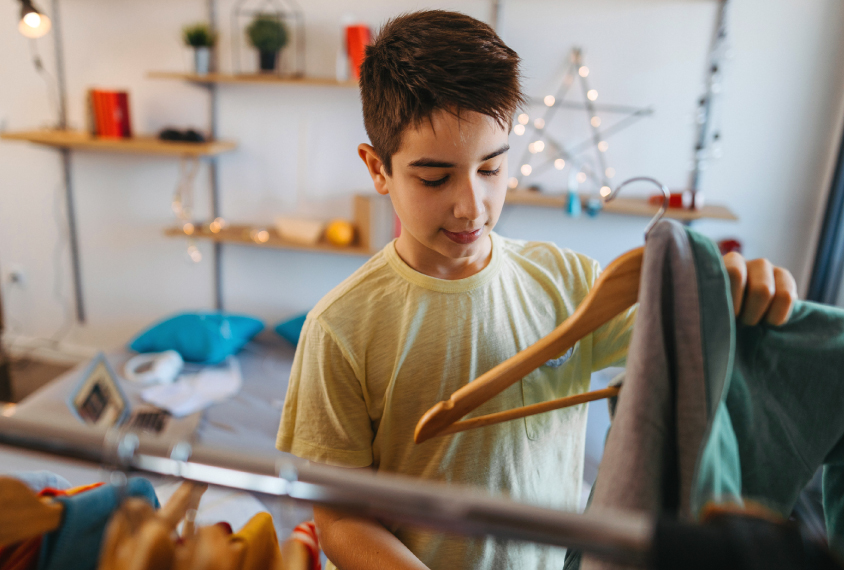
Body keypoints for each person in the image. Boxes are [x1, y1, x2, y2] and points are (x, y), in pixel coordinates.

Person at [276, 10, 798, 570]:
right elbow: (339, 518)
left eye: (491, 169)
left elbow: (691, 339)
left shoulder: (569, 282)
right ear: (378, 169)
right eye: (435, 178)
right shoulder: (340, 328)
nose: (471, 206)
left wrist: (742, 296)